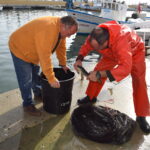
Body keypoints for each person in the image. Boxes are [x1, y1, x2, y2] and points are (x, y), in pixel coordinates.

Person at [74, 20, 150, 134]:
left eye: (99, 48)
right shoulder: (96, 34)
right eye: (96, 49)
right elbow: (86, 46)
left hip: (134, 52)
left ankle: (141, 116)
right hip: (111, 52)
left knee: (139, 82)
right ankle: (91, 97)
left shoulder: (121, 40)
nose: (98, 51)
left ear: (107, 42)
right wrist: (79, 59)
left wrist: (100, 74)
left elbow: (125, 68)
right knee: (97, 70)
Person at [9, 15, 78, 116]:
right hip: (20, 48)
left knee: (35, 75)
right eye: (68, 34)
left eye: (70, 35)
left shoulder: (60, 29)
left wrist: (63, 64)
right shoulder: (48, 29)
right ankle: (28, 104)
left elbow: (61, 47)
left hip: (33, 50)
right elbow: (45, 56)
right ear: (63, 25)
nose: (68, 36)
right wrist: (51, 78)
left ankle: (37, 92)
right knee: (26, 80)